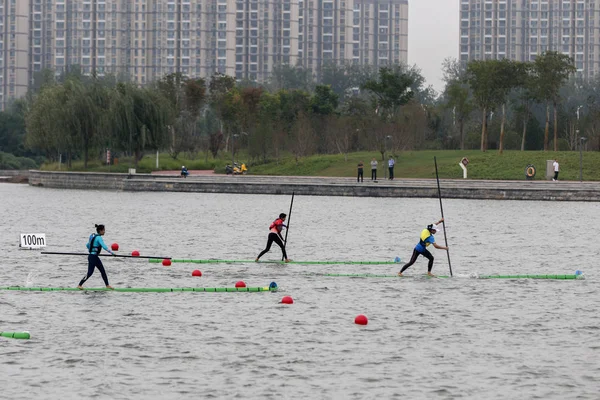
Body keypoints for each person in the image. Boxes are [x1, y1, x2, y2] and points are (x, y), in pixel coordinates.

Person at [78, 224, 115, 289]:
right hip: (93, 257)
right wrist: (112, 253)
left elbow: (87, 245)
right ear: (100, 230)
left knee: (102, 271)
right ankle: (79, 285)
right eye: (103, 230)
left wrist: (93, 250)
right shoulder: (99, 238)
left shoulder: (94, 236)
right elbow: (104, 247)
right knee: (90, 273)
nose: (104, 232)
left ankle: (107, 285)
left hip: (93, 257)